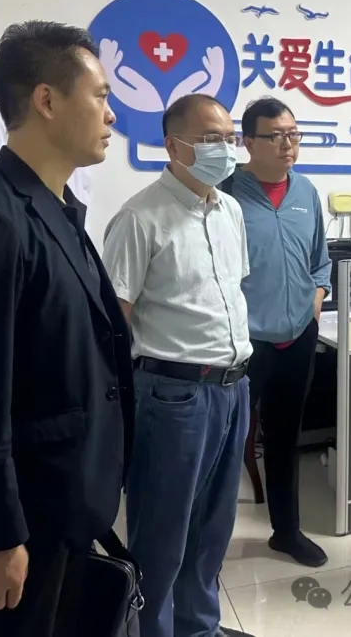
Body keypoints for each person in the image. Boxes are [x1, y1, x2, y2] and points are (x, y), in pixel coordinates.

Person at [0, 21, 135, 636]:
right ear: (46, 100)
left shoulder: (55, 208)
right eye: (100, 96)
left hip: (67, 501)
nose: (111, 115)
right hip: (23, 519)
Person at [102, 93, 253, 637]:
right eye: (212, 139)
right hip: (173, 394)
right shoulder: (139, 218)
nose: (226, 149)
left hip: (233, 389)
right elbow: (113, 324)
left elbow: (229, 293)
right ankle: (152, 631)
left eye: (230, 138)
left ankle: (199, 628)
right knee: (163, 533)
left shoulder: (230, 210)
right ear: (174, 146)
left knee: (213, 528)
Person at [220, 97, 331, 568]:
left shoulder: (306, 191)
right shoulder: (226, 193)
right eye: (276, 136)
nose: (288, 145)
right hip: (245, 343)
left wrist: (316, 299)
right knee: (225, 445)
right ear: (248, 142)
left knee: (286, 438)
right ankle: (208, 544)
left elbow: (320, 260)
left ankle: (286, 532)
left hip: (297, 335)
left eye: (294, 135)